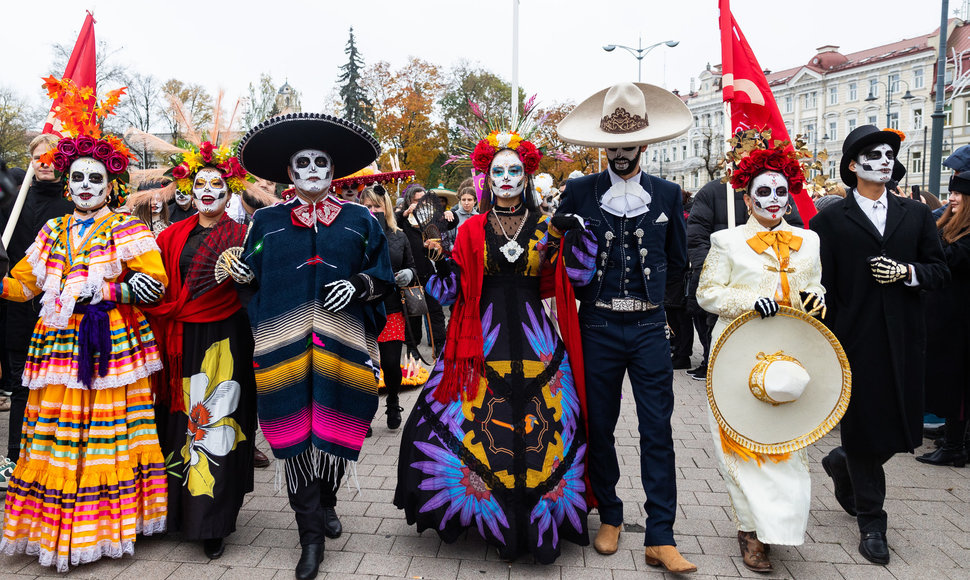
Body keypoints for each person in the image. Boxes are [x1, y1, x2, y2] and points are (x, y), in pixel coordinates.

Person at [394, 127, 596, 564]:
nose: (507, 178)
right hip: (479, 340)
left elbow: (572, 279)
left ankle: (538, 517)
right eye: (498, 170)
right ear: (487, 176)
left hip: (534, 338)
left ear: (527, 176)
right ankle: (484, 514)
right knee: (468, 419)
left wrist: (572, 238)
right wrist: (428, 262)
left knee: (546, 422)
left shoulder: (544, 226)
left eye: (515, 170)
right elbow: (450, 292)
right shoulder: (470, 231)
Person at [0, 78, 168, 571]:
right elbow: (24, 285)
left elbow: (154, 285)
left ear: (110, 185)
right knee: (57, 435)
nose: (85, 186)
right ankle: (59, 527)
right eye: (78, 178)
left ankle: (105, 528)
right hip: (57, 348)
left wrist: (109, 290)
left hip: (111, 345)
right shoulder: (51, 229)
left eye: (95, 178)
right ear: (68, 182)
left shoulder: (126, 227)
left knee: (107, 435)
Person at [235, 112, 393, 580]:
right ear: (289, 171)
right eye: (301, 162)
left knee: (337, 424)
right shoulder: (265, 222)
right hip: (281, 347)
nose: (311, 169)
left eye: (320, 161)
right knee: (294, 434)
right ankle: (309, 538)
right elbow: (250, 275)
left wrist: (360, 286)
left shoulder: (360, 220)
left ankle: (327, 500)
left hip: (343, 345)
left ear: (332, 170)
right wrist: (244, 277)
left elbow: (382, 274)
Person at [554, 82, 695, 573]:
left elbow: (677, 260)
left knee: (658, 429)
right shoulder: (578, 192)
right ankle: (609, 515)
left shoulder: (668, 194)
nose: (618, 155)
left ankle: (661, 533)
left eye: (627, 147)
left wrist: (662, 314)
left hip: (649, 328)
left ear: (644, 145)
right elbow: (554, 249)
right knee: (600, 427)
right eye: (611, 147)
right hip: (597, 326)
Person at [811, 125, 949, 565]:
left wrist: (907, 273)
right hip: (855, 341)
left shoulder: (914, 215)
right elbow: (822, 285)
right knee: (866, 428)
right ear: (853, 166)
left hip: (907, 338)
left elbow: (938, 271)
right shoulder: (828, 221)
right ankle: (873, 522)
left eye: (890, 153)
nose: (885, 160)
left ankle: (841, 461)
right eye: (873, 154)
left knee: (903, 429)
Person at [696, 144, 826, 572]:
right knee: (737, 445)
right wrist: (752, 300)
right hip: (736, 355)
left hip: (791, 357)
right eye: (763, 192)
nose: (774, 199)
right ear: (747, 199)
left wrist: (816, 300)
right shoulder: (726, 240)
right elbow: (708, 293)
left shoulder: (809, 241)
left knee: (787, 443)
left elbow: (816, 290)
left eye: (781, 191)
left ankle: (781, 524)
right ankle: (750, 532)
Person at [139, 141, 259, 560]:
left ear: (230, 192)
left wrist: (247, 278)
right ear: (190, 188)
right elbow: (155, 286)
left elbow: (261, 291)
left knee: (217, 423)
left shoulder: (244, 235)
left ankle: (214, 522)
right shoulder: (170, 235)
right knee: (176, 424)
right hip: (178, 340)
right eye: (201, 183)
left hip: (226, 339)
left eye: (217, 184)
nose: (208, 190)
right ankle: (175, 513)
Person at [687, 166, 804, 382]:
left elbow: (796, 236)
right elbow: (697, 237)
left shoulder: (781, 198)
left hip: (779, 309)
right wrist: (717, 269)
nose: (773, 198)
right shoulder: (712, 192)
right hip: (728, 289)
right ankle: (709, 363)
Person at [0, 134, 73, 476]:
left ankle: (56, 456)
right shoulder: (12, 203)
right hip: (16, 305)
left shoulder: (75, 203)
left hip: (61, 311)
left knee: (59, 382)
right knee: (20, 384)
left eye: (53, 157)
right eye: (38, 157)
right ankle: (15, 457)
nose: (45, 162)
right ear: (30, 161)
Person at [916, 173, 970, 467]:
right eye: (950, 193)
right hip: (945, 320)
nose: (951, 198)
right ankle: (954, 440)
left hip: (960, 323)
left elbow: (947, 258)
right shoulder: (950, 225)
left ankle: (954, 446)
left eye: (958, 194)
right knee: (949, 383)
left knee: (958, 386)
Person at [359, 185, 416, 430]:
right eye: (367, 206)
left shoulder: (398, 235)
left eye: (377, 206)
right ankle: (364, 412)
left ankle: (393, 401)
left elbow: (413, 266)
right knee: (364, 366)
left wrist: (408, 273)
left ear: (387, 207)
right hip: (362, 309)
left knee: (390, 363)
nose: (372, 210)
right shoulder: (354, 235)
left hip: (392, 308)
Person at [395, 184, 455, 358]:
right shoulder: (403, 219)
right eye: (416, 201)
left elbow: (452, 223)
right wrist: (405, 213)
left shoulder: (430, 216)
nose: (419, 203)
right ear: (409, 202)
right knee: (413, 313)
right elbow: (391, 225)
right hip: (411, 271)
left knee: (435, 311)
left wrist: (450, 215)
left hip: (430, 272)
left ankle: (439, 345)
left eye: (422, 200)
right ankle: (412, 348)